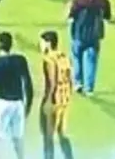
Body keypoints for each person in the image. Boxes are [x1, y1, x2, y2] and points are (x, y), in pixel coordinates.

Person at [0, 31, 33, 159]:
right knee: (18, 137)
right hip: (18, 103)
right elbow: (28, 83)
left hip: (2, 102)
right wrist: (28, 105)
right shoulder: (20, 60)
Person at [67, 0, 111, 95]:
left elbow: (71, 17)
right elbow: (108, 17)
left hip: (79, 33)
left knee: (77, 58)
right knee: (91, 61)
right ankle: (89, 87)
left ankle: (78, 82)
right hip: (94, 34)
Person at [38, 30, 76, 159]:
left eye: (42, 43)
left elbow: (52, 81)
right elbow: (71, 80)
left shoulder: (49, 59)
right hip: (64, 99)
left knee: (48, 135)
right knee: (62, 132)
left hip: (53, 99)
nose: (41, 46)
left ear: (48, 43)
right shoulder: (64, 57)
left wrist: (48, 101)